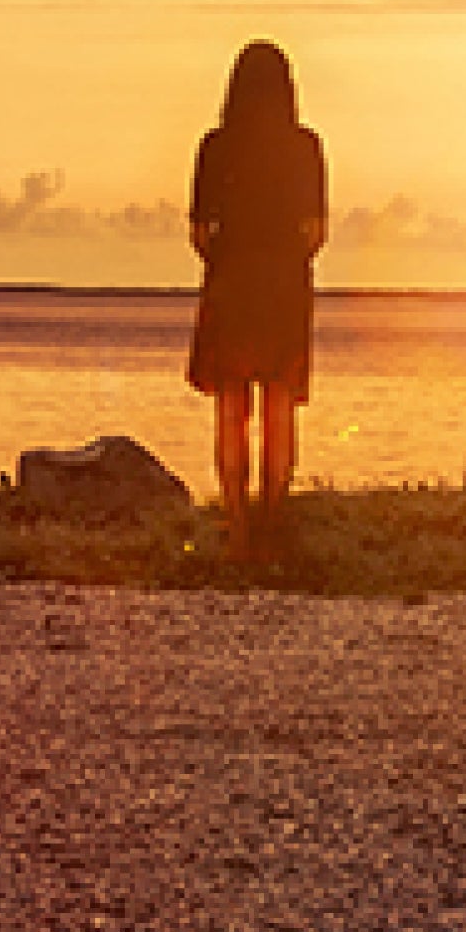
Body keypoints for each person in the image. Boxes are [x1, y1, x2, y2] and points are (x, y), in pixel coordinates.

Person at [185, 39, 328, 557]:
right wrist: (289, 263)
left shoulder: (215, 146)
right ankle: (272, 517)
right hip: (285, 284)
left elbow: (200, 233)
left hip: (233, 280)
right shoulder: (305, 147)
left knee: (231, 404)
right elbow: (316, 231)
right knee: (279, 402)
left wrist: (225, 263)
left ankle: (237, 524)